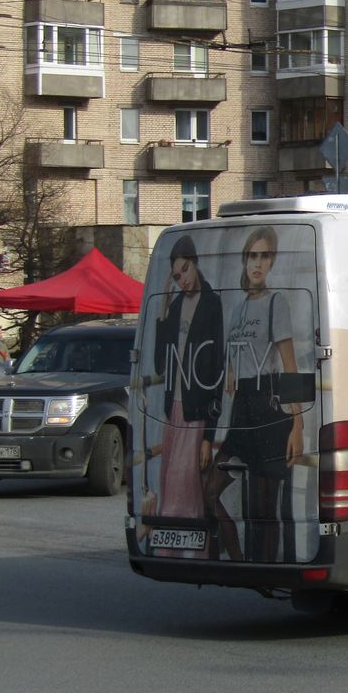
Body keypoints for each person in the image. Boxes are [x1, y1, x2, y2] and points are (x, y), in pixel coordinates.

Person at [216, 226, 306, 563]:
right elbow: (233, 359)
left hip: (269, 408)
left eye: (264, 256)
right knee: (209, 489)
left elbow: (289, 364)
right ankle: (238, 558)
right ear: (244, 260)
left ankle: (267, 568)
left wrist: (297, 423)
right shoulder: (239, 307)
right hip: (241, 409)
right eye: (252, 255)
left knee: (266, 506)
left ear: (272, 261)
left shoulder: (275, 302)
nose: (258, 263)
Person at [153, 235, 224, 557]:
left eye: (185, 269)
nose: (182, 278)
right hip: (175, 410)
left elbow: (216, 371)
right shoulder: (177, 304)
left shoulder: (211, 303)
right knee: (172, 484)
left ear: (195, 263)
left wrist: (209, 434)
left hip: (196, 413)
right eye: (177, 275)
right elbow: (159, 362)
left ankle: (196, 549)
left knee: (189, 487)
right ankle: (170, 546)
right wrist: (164, 308)